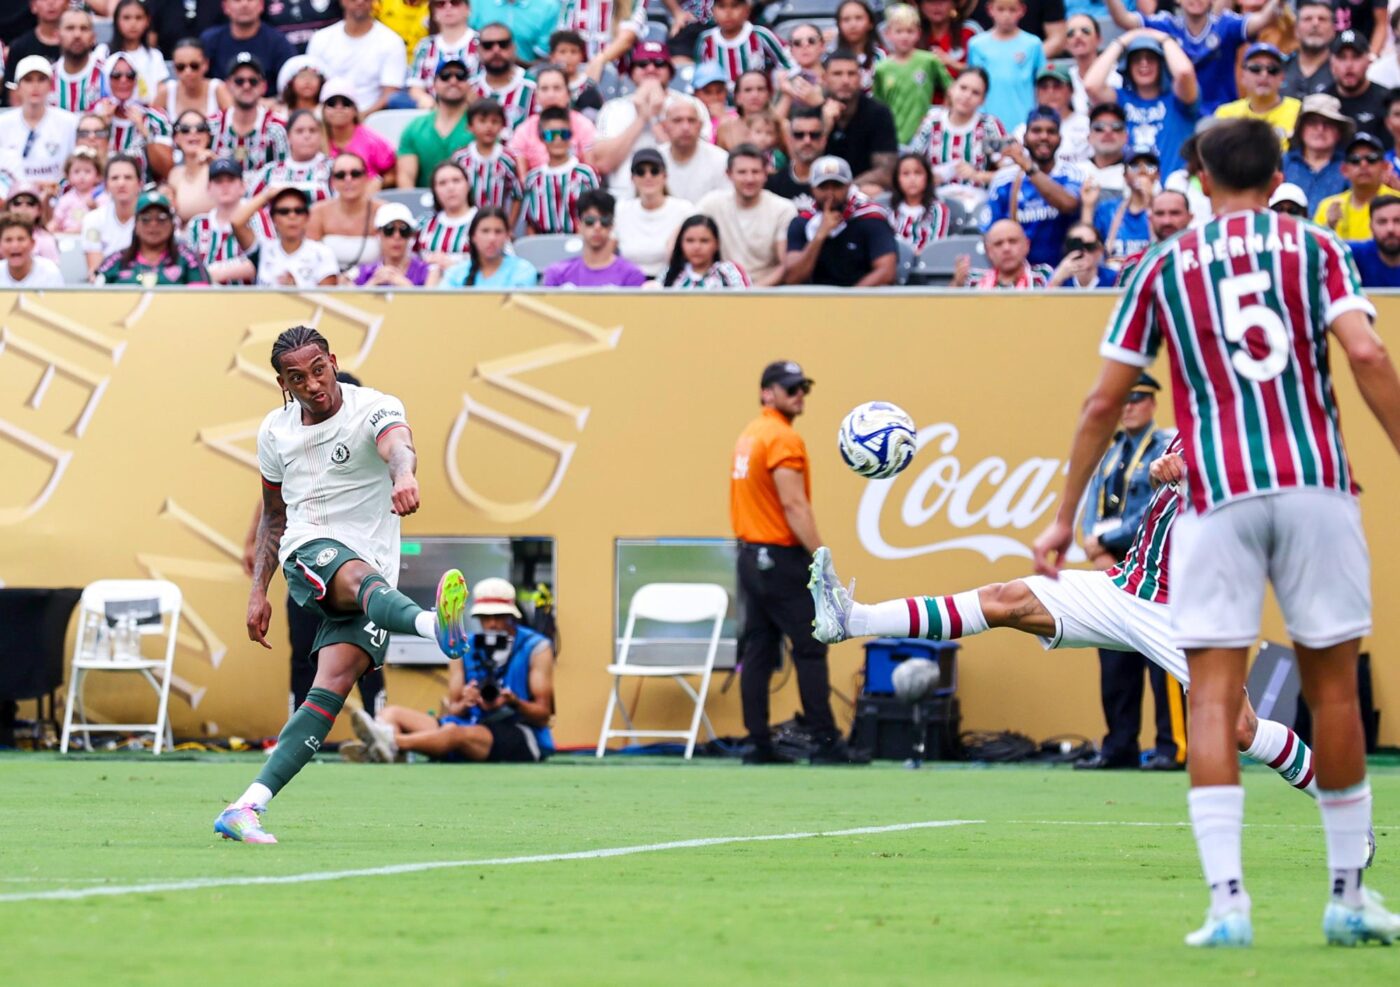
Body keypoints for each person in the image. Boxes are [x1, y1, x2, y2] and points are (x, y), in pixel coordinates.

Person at [1031, 117, 1400, 947]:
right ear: (1278, 180)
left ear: (1198, 182)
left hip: (1215, 496)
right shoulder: (1317, 250)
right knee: (1334, 689)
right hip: (1311, 482)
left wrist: (1063, 517)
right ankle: (1347, 895)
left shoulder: (1163, 265)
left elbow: (1101, 403)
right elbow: (1370, 358)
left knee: (1212, 695)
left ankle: (1227, 904)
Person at [809, 443, 1329, 793]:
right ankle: (851, 618)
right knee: (1005, 598)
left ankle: (1343, 811)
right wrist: (1158, 470)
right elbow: (1164, 484)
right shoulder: (1192, 425)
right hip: (1125, 588)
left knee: (1241, 730)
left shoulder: (1267, 447)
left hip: (1188, 616)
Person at [213, 325, 471, 844]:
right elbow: (273, 514)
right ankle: (430, 625)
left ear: (332, 362)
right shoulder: (275, 432)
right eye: (297, 378)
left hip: (375, 566)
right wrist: (258, 589)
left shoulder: (371, 406)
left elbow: (398, 445)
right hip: (310, 550)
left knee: (328, 691)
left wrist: (404, 475)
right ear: (283, 384)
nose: (312, 384)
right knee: (354, 574)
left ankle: (245, 807)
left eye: (318, 370)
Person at [730, 360, 857, 766]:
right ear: (767, 392)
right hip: (780, 556)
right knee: (810, 647)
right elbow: (793, 504)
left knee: (759, 650)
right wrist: (821, 556)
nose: (799, 394)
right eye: (790, 388)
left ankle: (758, 744)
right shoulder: (783, 439)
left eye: (803, 387)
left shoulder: (751, 433)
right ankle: (825, 743)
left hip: (749, 555)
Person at [1069, 373, 1184, 769]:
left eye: (1137, 399)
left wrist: (1109, 540)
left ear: (1152, 402)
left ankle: (1173, 748)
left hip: (1153, 569)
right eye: (1124, 400)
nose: (1129, 407)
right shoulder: (1111, 450)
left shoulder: (1166, 447)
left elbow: (1157, 507)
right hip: (1114, 568)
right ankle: (1119, 745)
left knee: (1163, 662)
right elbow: (1091, 508)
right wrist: (1092, 545)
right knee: (1114, 662)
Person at [353, 577, 554, 764]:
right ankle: (390, 751)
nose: (492, 623)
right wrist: (467, 702)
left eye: (499, 616)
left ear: (512, 616)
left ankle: (389, 744)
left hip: (520, 732)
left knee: (453, 732)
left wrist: (514, 702)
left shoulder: (535, 647)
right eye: (485, 616)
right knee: (392, 714)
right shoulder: (463, 645)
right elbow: (453, 710)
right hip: (469, 723)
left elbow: (544, 715)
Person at [1105, 0, 1278, 113]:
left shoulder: (1226, 24)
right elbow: (1123, 19)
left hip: (1222, 115)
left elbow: (1264, 19)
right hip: (1179, 115)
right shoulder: (1166, 24)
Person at [1085, 31, 1199, 177]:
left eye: (1151, 58)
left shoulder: (1177, 98)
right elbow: (1091, 85)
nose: (1144, 64)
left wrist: (1164, 39)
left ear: (1161, 64)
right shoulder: (1121, 98)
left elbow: (1184, 72)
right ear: (1127, 66)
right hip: (1132, 191)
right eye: (1136, 59)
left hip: (1174, 191)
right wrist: (1122, 41)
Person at [986, 107, 1083, 268]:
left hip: (1065, 275)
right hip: (1020, 278)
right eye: (1036, 131)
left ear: (1060, 139)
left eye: (1051, 131)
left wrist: (1028, 166)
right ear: (1024, 138)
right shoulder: (1003, 180)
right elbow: (991, 234)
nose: (1044, 136)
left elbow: (1068, 205)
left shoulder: (1073, 174)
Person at [783, 155, 896, 287]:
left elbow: (886, 272)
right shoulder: (802, 222)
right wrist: (820, 235)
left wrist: (848, 301)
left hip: (862, 300)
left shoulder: (870, 218)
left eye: (837, 186)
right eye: (823, 186)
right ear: (812, 189)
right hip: (815, 300)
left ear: (848, 187)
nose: (830, 194)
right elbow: (792, 277)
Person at [697, 144, 798, 287]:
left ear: (765, 174)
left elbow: (784, 265)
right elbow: (684, 240)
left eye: (755, 172)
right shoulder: (711, 204)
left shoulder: (783, 209)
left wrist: (752, 293)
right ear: (729, 174)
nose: (749, 179)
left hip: (767, 292)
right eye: (742, 172)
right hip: (721, 291)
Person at [591, 40, 680, 198]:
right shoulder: (613, 108)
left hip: (676, 199)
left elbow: (691, 159)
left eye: (659, 63)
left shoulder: (687, 105)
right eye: (642, 63)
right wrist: (641, 119)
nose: (651, 69)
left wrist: (654, 118)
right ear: (631, 72)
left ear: (671, 71)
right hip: (624, 201)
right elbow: (603, 163)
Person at [908, 67, 1006, 204]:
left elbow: (1010, 172)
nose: (967, 96)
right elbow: (910, 166)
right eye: (963, 88)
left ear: (983, 100)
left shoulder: (988, 126)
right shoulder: (932, 123)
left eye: (975, 93)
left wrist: (978, 175)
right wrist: (927, 177)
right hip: (935, 201)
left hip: (975, 203)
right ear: (951, 89)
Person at [306, 0, 407, 115]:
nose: (360, 1)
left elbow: (390, 93)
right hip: (326, 118)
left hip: (373, 119)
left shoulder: (392, 42)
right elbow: (311, 85)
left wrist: (359, 118)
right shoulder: (320, 39)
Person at [873, 3, 952, 146]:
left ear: (918, 33)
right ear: (888, 34)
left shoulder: (929, 60)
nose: (905, 37)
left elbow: (951, 88)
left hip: (924, 135)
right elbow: (878, 104)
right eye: (899, 31)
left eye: (910, 31)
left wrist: (940, 116)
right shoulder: (881, 68)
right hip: (893, 135)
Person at [94, 190, 211, 286]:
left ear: (172, 224)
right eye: (146, 218)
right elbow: (95, 295)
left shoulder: (188, 258)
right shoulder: (116, 260)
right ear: (136, 225)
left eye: (161, 218)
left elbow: (202, 298)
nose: (153, 224)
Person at [184, 156, 270, 284]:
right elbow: (187, 264)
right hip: (207, 299)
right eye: (218, 181)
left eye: (230, 180)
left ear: (243, 187)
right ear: (209, 189)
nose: (225, 186)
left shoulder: (258, 217)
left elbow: (268, 261)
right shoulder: (197, 224)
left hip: (249, 297)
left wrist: (215, 272)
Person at [822, 49, 898, 190]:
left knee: (875, 190)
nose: (845, 81)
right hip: (820, 189)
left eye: (851, 74)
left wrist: (846, 190)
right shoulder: (813, 111)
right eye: (837, 74)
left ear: (861, 78)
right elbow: (802, 168)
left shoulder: (878, 113)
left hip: (861, 192)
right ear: (824, 79)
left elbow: (886, 171)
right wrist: (825, 127)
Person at [541, 189, 647, 286]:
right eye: (590, 220)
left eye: (604, 220)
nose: (597, 227)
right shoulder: (558, 273)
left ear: (612, 225)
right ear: (579, 225)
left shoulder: (631, 275)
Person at [614, 148, 693, 278]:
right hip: (628, 284)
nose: (648, 176)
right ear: (632, 178)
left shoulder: (684, 210)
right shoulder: (621, 210)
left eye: (654, 171)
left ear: (665, 176)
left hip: (671, 283)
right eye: (640, 172)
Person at [396, 57, 474, 188]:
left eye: (460, 76)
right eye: (445, 76)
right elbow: (406, 178)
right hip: (424, 204)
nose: (453, 81)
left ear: (468, 84)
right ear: (434, 84)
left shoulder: (481, 126)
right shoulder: (415, 128)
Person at [522, 106, 601, 234]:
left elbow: (596, 216)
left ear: (571, 136)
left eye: (564, 134)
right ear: (541, 138)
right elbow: (530, 223)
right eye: (550, 135)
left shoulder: (586, 174)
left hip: (577, 242)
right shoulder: (533, 178)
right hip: (542, 244)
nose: (558, 140)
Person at [0, 56, 76, 186]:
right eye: (28, 80)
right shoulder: (3, 124)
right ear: (17, 87)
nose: (35, 86)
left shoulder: (69, 123)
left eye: (41, 80)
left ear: (51, 85)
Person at [968, 0, 1045, 128]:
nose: (1006, 15)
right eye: (1001, 9)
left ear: (1022, 10)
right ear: (990, 10)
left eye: (1012, 10)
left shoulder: (1033, 44)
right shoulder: (976, 44)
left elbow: (1041, 84)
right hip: (985, 121)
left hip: (1023, 121)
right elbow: (973, 83)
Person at [211, 53, 290, 176]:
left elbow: (284, 175)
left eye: (253, 81)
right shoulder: (211, 126)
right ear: (228, 85)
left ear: (264, 86)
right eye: (239, 81)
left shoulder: (278, 128)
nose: (246, 86)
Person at [243, 186, 340, 286]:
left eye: (299, 211)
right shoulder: (263, 249)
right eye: (284, 211)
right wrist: (266, 195)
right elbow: (237, 222)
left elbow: (328, 299)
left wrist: (295, 290)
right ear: (273, 218)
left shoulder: (322, 253)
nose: (292, 216)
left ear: (307, 217)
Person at [508, 65, 596, 173]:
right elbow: (522, 180)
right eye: (544, 89)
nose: (551, 95)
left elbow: (592, 170)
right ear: (536, 96)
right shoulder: (524, 130)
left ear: (568, 94)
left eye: (557, 88)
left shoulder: (584, 126)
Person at [308, 151, 386, 272]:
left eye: (355, 174)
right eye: (340, 175)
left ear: (366, 177)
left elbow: (396, 257)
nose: (348, 179)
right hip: (328, 284)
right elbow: (309, 259)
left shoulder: (384, 211)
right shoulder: (318, 212)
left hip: (373, 284)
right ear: (333, 181)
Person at [693, 0, 794, 89]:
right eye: (722, 6)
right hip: (719, 105)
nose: (728, 12)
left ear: (747, 10)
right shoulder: (705, 40)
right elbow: (699, 76)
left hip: (756, 105)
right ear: (713, 11)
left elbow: (789, 64)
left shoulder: (761, 35)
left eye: (734, 6)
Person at [1216, 43, 1300, 148]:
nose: (1264, 74)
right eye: (1255, 68)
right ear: (1243, 76)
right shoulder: (1226, 115)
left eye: (1272, 69)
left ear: (1282, 78)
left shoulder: (1298, 111)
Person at [451, 99, 523, 223]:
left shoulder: (508, 159)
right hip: (466, 223)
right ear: (470, 126)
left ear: (502, 126)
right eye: (482, 121)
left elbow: (517, 195)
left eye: (495, 122)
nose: (489, 126)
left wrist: (509, 226)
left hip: (496, 224)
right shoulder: (460, 158)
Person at [439, 205, 539, 287]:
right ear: (473, 236)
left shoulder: (523, 270)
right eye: (485, 231)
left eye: (498, 231)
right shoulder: (455, 273)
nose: (492, 238)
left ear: (507, 236)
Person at [200, 0, 295, 86]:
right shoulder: (209, 41)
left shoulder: (278, 42)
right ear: (225, 6)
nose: (244, 4)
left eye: (250, 0)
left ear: (261, 5)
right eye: (237, 0)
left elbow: (291, 84)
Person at [1089, 144, 1156, 266]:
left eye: (1150, 166)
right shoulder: (1107, 209)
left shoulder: (1167, 211)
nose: (1142, 171)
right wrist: (1087, 208)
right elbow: (1088, 247)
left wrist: (1150, 202)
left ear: (1158, 175)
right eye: (1134, 166)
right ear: (1124, 176)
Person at [1282, 92, 1351, 209]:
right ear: (1301, 129)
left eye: (1328, 124)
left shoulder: (1350, 167)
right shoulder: (1282, 163)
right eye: (1312, 122)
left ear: (1339, 132)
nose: (1320, 129)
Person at [1314, 131, 1386, 240]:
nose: (1363, 164)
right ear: (1344, 170)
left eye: (1371, 158)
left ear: (1385, 167)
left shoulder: (1397, 201)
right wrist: (1329, 226)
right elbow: (1315, 250)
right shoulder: (1328, 206)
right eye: (1355, 159)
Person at [320, 80, 397, 182]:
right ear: (323, 110)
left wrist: (379, 182)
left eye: (346, 103)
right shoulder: (315, 140)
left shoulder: (372, 141)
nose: (339, 108)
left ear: (355, 110)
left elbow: (393, 172)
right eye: (331, 103)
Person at [407, 0, 478, 109]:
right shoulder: (425, 46)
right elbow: (415, 86)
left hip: (473, 111)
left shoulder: (482, 43)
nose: (448, 7)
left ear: (468, 9)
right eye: (440, 4)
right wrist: (423, 98)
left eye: (455, 2)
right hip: (433, 112)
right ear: (434, 12)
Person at [468, 24, 537, 135]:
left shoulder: (534, 87)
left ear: (513, 48)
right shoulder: (469, 89)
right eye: (488, 45)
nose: (496, 50)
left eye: (503, 44)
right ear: (478, 50)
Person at [248, 109, 331, 202]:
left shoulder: (333, 169)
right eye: (299, 131)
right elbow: (247, 205)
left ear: (321, 136)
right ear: (288, 137)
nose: (307, 136)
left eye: (312, 131)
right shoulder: (268, 172)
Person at [1327, 30, 1393, 148]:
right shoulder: (1322, 101)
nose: (1349, 65)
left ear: (1368, 61)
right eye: (1342, 58)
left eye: (1356, 57)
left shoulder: (1386, 101)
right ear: (1332, 63)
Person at [80, 155, 142, 277]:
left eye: (128, 177)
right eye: (114, 178)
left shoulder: (152, 220)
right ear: (106, 185)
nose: (121, 183)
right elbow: (95, 271)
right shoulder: (93, 219)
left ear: (139, 183)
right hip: (108, 286)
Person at [659, 98, 730, 204]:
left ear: (700, 125)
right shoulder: (655, 160)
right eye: (677, 120)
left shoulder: (721, 160)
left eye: (691, 120)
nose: (685, 127)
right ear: (665, 126)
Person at [1114, 188, 1191, 283]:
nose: (1166, 221)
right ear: (1150, 218)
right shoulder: (1134, 264)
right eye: (1159, 214)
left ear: (1190, 217)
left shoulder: (1204, 258)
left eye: (1175, 213)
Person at [952, 217, 1052, 288]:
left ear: (1026, 245)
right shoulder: (973, 281)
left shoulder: (1042, 276)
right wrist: (957, 284)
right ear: (988, 251)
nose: (1006, 248)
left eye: (1013, 241)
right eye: (998, 244)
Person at [351, 203, 435, 286]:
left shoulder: (426, 271)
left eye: (404, 230)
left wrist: (404, 284)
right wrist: (372, 284)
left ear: (411, 234)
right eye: (389, 229)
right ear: (378, 233)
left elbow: (430, 299)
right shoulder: (364, 273)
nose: (397, 236)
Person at [417, 160, 479, 266]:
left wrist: (453, 268)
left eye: (456, 180)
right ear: (434, 190)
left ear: (468, 185)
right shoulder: (423, 223)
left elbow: (506, 267)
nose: (450, 188)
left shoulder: (487, 221)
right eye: (442, 183)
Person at [662, 213, 750, 287]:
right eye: (690, 241)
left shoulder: (729, 271)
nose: (697, 247)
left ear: (716, 244)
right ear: (680, 243)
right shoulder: (668, 274)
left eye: (704, 241)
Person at [109, 0, 171, 102]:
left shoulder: (154, 56)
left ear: (147, 21)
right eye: (126, 18)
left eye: (138, 18)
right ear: (116, 20)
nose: (133, 23)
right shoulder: (103, 52)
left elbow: (160, 91)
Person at [889, 152, 949, 254]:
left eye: (918, 173)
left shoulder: (939, 210)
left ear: (927, 177)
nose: (912, 179)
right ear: (897, 180)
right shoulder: (890, 210)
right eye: (905, 174)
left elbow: (936, 248)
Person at [51, 8, 108, 114]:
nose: (77, 35)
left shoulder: (107, 74)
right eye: (70, 28)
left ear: (93, 37)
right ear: (57, 36)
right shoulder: (47, 78)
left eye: (84, 28)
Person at [160, 37, 231, 121]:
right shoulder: (166, 91)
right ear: (174, 68)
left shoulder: (218, 89)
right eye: (180, 67)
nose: (188, 72)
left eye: (194, 66)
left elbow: (233, 122)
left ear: (206, 64)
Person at [766, 105, 825, 206]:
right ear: (789, 140)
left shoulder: (835, 183)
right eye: (799, 135)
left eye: (814, 135)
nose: (807, 141)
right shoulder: (773, 183)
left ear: (823, 140)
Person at [165, 110, 217, 223]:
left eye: (200, 128)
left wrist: (216, 164)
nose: (193, 132)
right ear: (176, 138)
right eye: (185, 129)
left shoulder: (218, 166)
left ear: (208, 137)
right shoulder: (175, 174)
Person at [1064, 13, 1119, 115]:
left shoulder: (1117, 74)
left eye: (1085, 31)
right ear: (1066, 44)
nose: (1078, 36)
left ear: (1099, 39)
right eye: (1070, 33)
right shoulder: (1065, 79)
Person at [469, 0, 557, 62]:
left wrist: (515, 63)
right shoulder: (476, 2)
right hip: (481, 76)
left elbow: (543, 56)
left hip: (527, 79)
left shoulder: (548, 6)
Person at [1281, 0, 1336, 98]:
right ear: (1296, 30)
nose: (1315, 24)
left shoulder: (1341, 71)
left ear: (1333, 30)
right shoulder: (1279, 68)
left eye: (1322, 19)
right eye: (1307, 19)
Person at [3, 0, 63, 84]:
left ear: (68, 3)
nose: (51, 2)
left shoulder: (77, 45)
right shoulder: (19, 47)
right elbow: (11, 90)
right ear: (33, 5)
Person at [1347, 193, 1400, 287]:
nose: (1390, 229)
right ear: (1371, 227)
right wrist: (1330, 226)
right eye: (1382, 222)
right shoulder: (1353, 253)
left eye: (1397, 221)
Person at [833, 0, 887, 92]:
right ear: (839, 25)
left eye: (858, 18)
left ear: (871, 23)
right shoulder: (831, 60)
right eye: (846, 19)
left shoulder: (882, 56)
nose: (853, 25)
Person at [549, 29, 603, 119]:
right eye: (562, 52)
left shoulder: (589, 86)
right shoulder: (546, 84)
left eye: (574, 52)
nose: (568, 56)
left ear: (581, 56)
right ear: (552, 57)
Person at [0, 212, 63, 287]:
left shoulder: (50, 272)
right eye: (8, 240)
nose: (15, 245)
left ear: (32, 243)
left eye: (21, 239)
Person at [51, 148, 103, 234]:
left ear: (97, 175)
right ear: (68, 175)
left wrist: (95, 208)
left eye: (87, 171)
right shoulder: (65, 199)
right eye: (76, 172)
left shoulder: (101, 196)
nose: (82, 176)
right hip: (67, 238)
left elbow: (106, 219)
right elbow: (56, 221)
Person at [918, 0, 976, 76]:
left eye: (944, 0)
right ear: (921, 5)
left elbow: (984, 71)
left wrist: (952, 64)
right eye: (930, 1)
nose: (937, 6)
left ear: (954, 4)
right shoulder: (911, 32)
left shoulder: (970, 31)